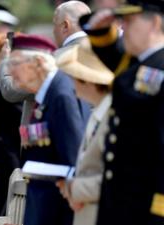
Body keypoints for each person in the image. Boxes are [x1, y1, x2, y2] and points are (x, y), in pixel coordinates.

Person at [79, 1, 164, 224]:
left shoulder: (158, 66)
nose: (122, 25)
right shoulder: (138, 64)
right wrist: (99, 27)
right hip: (122, 204)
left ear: (155, 22)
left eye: (130, 20)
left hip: (147, 208)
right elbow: (111, 55)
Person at [8, 34, 90, 225]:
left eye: (14, 64)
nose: (10, 72)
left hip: (58, 207)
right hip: (44, 203)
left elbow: (73, 157)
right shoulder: (48, 92)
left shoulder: (61, 94)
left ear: (38, 62)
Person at [55, 41, 114, 225]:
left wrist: (74, 188)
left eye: (74, 77)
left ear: (87, 80)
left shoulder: (114, 117)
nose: (71, 84)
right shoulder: (99, 112)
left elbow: (120, 178)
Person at [0, 32, 22, 216]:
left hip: (12, 162)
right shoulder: (3, 87)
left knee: (10, 214)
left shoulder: (14, 89)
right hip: (5, 161)